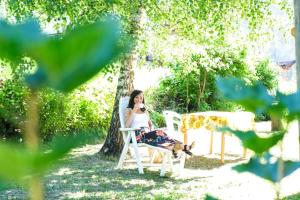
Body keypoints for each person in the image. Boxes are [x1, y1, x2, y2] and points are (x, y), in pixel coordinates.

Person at [125, 89, 194, 158]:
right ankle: (182, 147)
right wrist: (134, 110)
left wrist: (152, 128)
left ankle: (179, 147)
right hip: (136, 135)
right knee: (157, 136)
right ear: (133, 98)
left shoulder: (144, 110)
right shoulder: (129, 110)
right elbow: (126, 125)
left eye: (141, 98)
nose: (139, 100)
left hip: (147, 133)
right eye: (136, 97)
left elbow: (150, 124)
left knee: (160, 133)